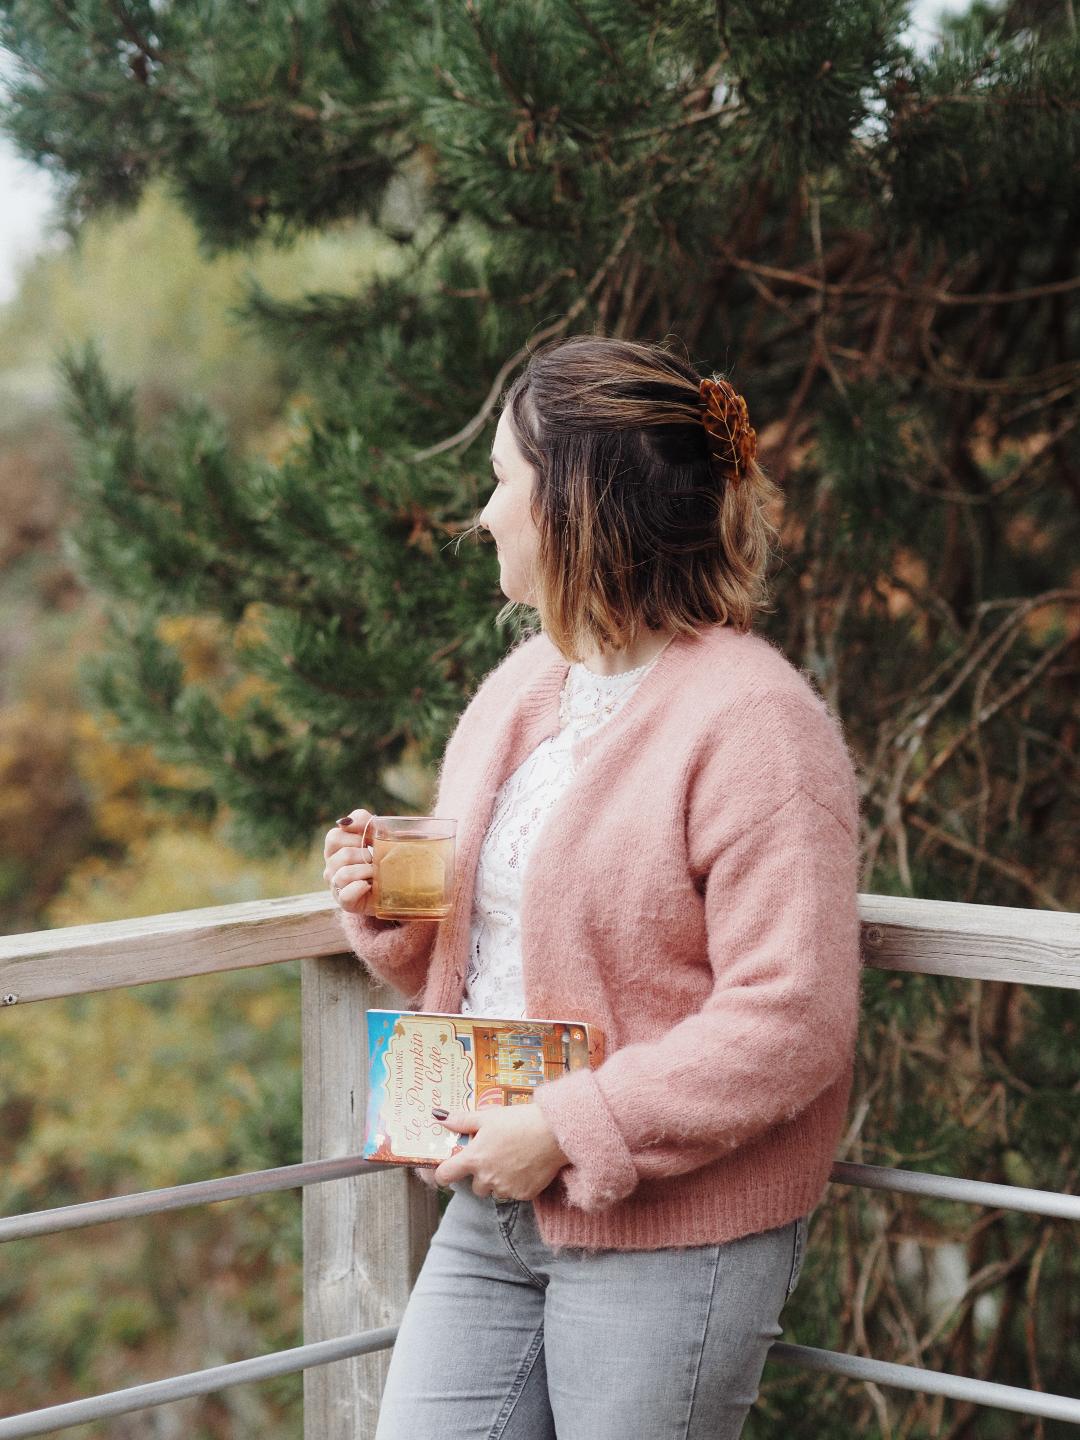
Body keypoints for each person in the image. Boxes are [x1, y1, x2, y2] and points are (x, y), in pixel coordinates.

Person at [322, 334, 863, 1439]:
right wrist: (390, 910)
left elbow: (792, 1018)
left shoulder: (757, 724)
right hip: (493, 1202)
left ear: (574, 503)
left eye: (505, 481)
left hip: (676, 1231)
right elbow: (499, 942)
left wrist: (567, 1128)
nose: (484, 511)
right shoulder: (522, 690)